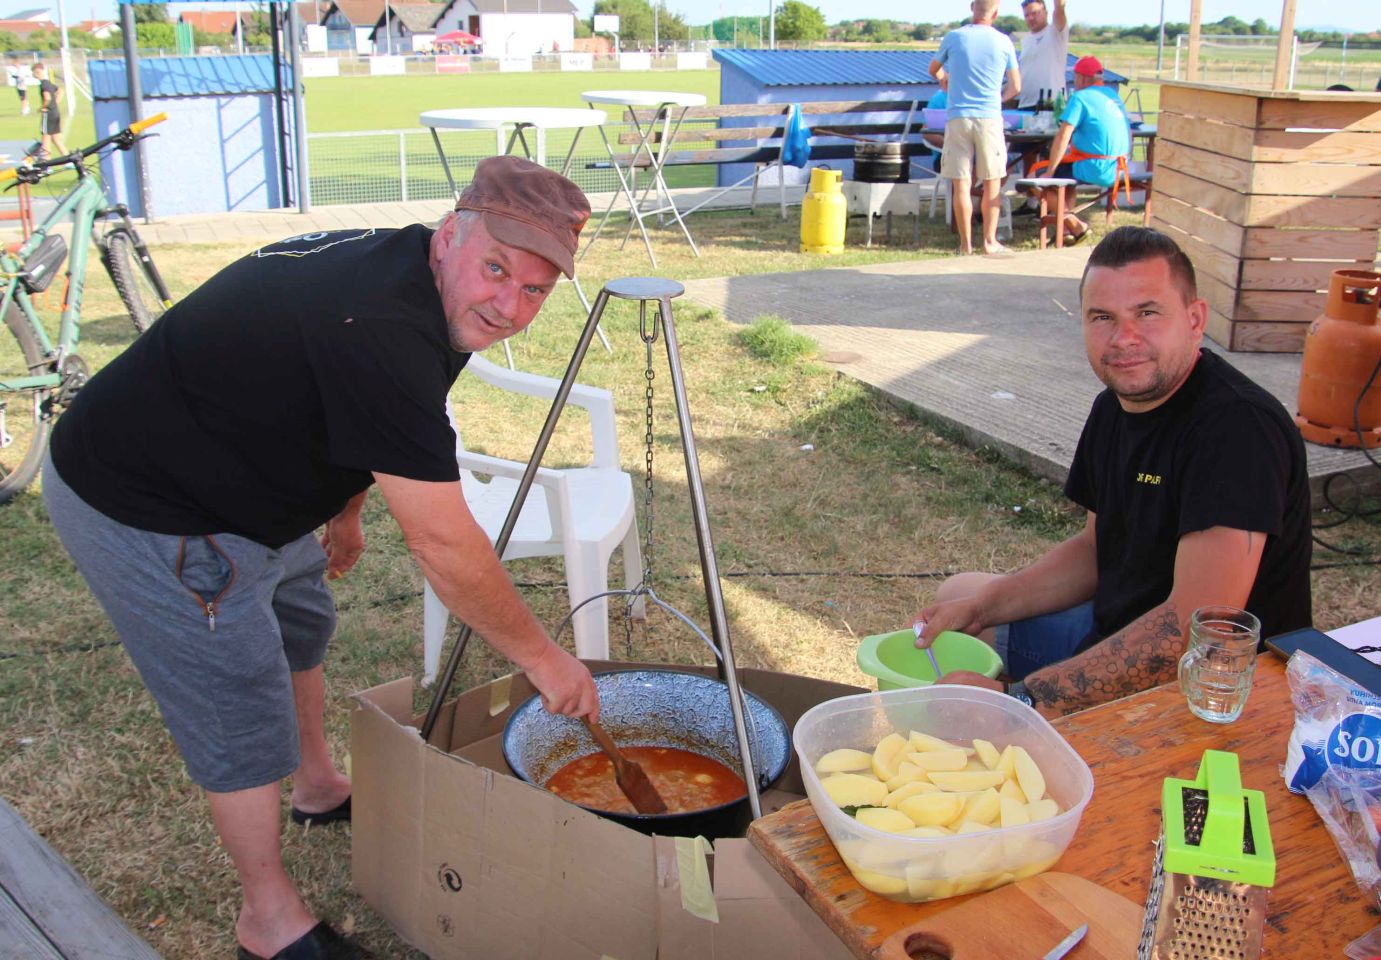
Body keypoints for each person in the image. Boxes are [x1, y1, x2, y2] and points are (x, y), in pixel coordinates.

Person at [42, 155, 601, 960]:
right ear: (450, 237)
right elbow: (443, 542)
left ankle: (316, 786)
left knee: (301, 620)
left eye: (535, 290)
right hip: (147, 501)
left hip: (248, 476)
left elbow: (358, 407)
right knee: (237, 696)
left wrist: (345, 509)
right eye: (496, 269)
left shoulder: (425, 291)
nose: (508, 305)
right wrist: (543, 658)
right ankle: (266, 920)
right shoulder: (378, 321)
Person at [914, 226, 1312, 718]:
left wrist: (1024, 699)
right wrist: (981, 608)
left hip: (1213, 686)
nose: (1124, 338)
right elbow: (1093, 551)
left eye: (1147, 313)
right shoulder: (1115, 407)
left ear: (1194, 319)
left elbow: (1194, 628)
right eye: (1103, 317)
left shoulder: (1237, 429)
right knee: (962, 597)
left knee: (996, 686)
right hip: (1118, 625)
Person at [928, 0, 1021, 257]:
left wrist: (945, 80)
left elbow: (933, 69)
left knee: (961, 184)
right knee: (992, 183)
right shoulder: (1004, 42)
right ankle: (989, 241)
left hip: (958, 116)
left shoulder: (954, 37)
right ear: (996, 12)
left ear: (972, 8)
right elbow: (1016, 86)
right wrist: (998, 99)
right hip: (989, 118)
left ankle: (965, 245)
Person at [1034, 55, 1131, 242]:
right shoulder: (1113, 96)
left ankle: (1075, 225)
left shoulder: (1080, 98)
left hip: (1096, 167)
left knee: (1037, 181)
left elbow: (1063, 135)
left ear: (1083, 78)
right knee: (1065, 179)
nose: (1074, 81)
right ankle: (1064, 232)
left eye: (1076, 77)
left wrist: (1050, 170)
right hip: (1119, 167)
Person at [1015, 0, 1068, 109]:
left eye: (1034, 13)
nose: (1030, 18)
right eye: (1026, 15)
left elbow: (1059, 8)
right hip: (1025, 104)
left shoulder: (1056, 31)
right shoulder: (1026, 41)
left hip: (1051, 104)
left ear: (1046, 13)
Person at [32, 63, 65, 158]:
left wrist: (43, 107)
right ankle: (69, 160)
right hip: (55, 113)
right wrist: (55, 104)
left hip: (48, 114)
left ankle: (47, 164)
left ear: (37, 72)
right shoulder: (48, 83)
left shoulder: (43, 85)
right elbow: (60, 91)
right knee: (56, 139)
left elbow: (47, 98)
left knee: (45, 140)